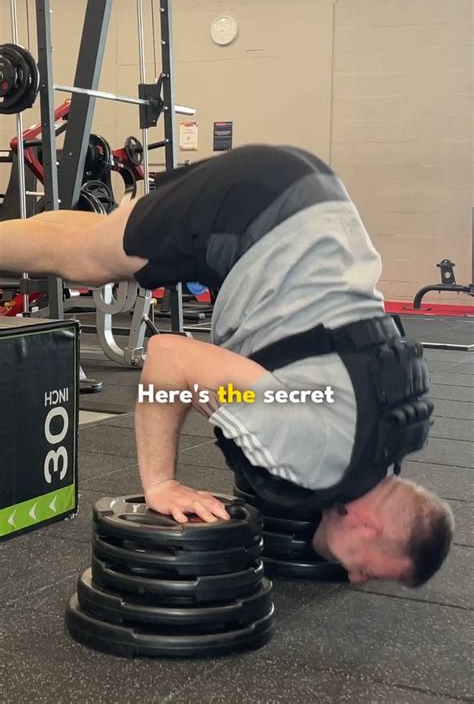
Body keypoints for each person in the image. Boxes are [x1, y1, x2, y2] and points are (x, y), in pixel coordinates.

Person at [0, 145, 454, 586]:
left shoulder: (395, 435)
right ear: (371, 527)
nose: (355, 576)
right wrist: (161, 483)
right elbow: (169, 357)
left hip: (308, 199)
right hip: (259, 215)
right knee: (80, 259)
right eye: (369, 569)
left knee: (96, 249)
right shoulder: (315, 453)